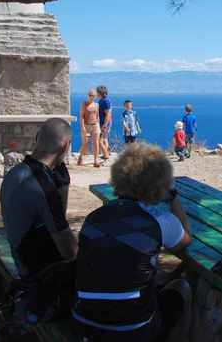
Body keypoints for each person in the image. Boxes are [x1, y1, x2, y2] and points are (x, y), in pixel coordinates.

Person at [73, 143, 192, 341]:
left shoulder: (94, 218)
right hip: (133, 329)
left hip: (84, 322)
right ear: (160, 184)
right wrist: (173, 198)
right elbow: (185, 240)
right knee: (183, 288)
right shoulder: (160, 221)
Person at [0, 118, 78, 320]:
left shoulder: (16, 172)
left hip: (22, 254)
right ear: (66, 146)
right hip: (36, 274)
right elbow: (69, 251)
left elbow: (52, 221)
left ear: (37, 139)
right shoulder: (42, 185)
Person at [78, 89, 101, 167]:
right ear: (88, 95)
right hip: (86, 125)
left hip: (95, 125)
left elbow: (97, 116)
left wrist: (98, 125)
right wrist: (83, 127)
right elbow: (81, 116)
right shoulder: (84, 104)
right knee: (85, 143)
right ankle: (80, 157)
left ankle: (96, 160)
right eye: (90, 95)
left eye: (93, 95)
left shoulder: (97, 105)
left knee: (96, 143)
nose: (92, 97)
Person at [97, 85, 113, 160]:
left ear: (100, 93)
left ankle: (105, 154)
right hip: (105, 123)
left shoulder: (105, 101)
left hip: (105, 123)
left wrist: (105, 124)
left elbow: (108, 114)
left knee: (99, 140)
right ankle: (106, 153)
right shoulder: (104, 100)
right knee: (104, 138)